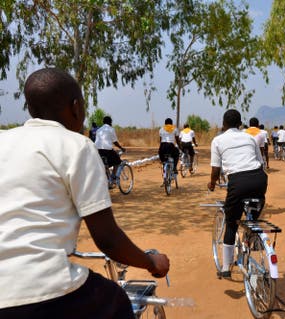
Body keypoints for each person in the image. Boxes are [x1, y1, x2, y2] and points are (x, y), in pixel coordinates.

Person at [0, 68, 169, 319]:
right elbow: (107, 239)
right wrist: (151, 262)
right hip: (40, 288)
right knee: (116, 301)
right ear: (76, 107)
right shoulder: (76, 145)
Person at [207, 109, 268, 278]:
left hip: (238, 182)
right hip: (259, 178)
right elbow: (260, 162)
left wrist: (212, 183)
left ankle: (226, 267)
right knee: (254, 213)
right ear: (240, 124)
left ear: (224, 124)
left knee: (232, 223)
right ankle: (252, 237)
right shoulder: (249, 137)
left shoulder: (218, 140)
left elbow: (215, 169)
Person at [95, 115, 126, 184]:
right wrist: (121, 148)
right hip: (107, 150)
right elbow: (115, 142)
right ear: (110, 122)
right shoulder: (111, 129)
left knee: (105, 164)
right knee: (118, 161)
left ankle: (108, 179)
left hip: (98, 150)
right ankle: (113, 177)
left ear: (103, 122)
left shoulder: (98, 130)